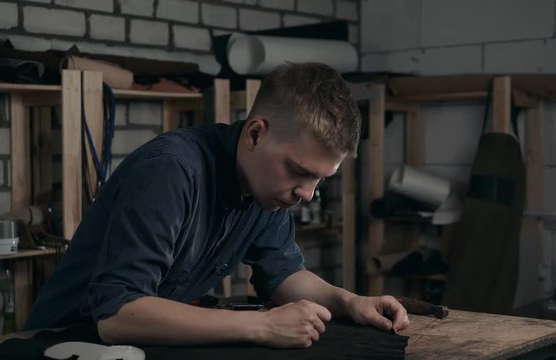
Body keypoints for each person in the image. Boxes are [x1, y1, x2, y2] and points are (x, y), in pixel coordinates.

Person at [25, 62, 410, 348]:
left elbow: (283, 276)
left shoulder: (266, 190)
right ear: (256, 134)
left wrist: (350, 301)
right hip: (58, 343)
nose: (307, 194)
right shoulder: (171, 172)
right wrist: (262, 326)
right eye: (299, 171)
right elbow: (118, 315)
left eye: (320, 179)